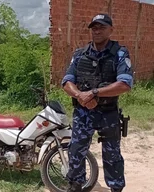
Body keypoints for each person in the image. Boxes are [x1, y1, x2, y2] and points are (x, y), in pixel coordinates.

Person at [61, 14, 133, 192]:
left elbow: (125, 84)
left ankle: (116, 188)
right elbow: (66, 82)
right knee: (76, 150)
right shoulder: (80, 54)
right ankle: (75, 185)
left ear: (111, 30)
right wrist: (81, 96)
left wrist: (94, 93)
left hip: (108, 113)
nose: (97, 30)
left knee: (112, 155)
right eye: (94, 27)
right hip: (84, 112)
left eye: (101, 27)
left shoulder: (120, 53)